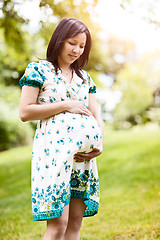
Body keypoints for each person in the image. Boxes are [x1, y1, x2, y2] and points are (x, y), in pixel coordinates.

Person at [19, 18, 104, 240]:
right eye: (72, 43)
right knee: (58, 224)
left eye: (82, 46)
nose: (77, 50)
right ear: (59, 40)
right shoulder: (39, 70)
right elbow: (25, 112)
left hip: (82, 158)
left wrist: (99, 143)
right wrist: (66, 105)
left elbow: (96, 115)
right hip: (53, 155)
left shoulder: (85, 78)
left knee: (75, 222)